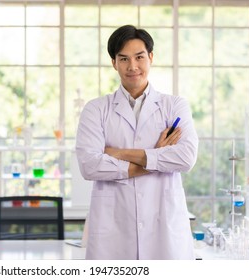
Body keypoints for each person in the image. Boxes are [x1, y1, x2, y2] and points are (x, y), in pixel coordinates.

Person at [75, 25, 198, 260]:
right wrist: (156, 156)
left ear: (150, 57)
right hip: (113, 235)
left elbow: (186, 158)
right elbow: (89, 166)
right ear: (114, 63)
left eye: (139, 57)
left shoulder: (174, 106)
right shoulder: (96, 109)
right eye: (123, 59)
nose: (132, 66)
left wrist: (118, 153)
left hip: (164, 231)